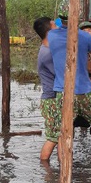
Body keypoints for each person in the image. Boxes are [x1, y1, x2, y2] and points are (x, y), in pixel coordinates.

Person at [47, 19, 91, 159]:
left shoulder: (52, 36)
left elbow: (56, 24)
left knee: (63, 127)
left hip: (63, 91)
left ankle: (63, 162)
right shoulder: (84, 37)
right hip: (84, 90)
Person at [33, 16, 58, 162]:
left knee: (59, 136)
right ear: (49, 31)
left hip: (53, 98)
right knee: (53, 138)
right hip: (52, 100)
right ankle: (45, 172)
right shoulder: (47, 53)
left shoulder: (50, 49)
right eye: (55, 26)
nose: (58, 27)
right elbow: (63, 74)